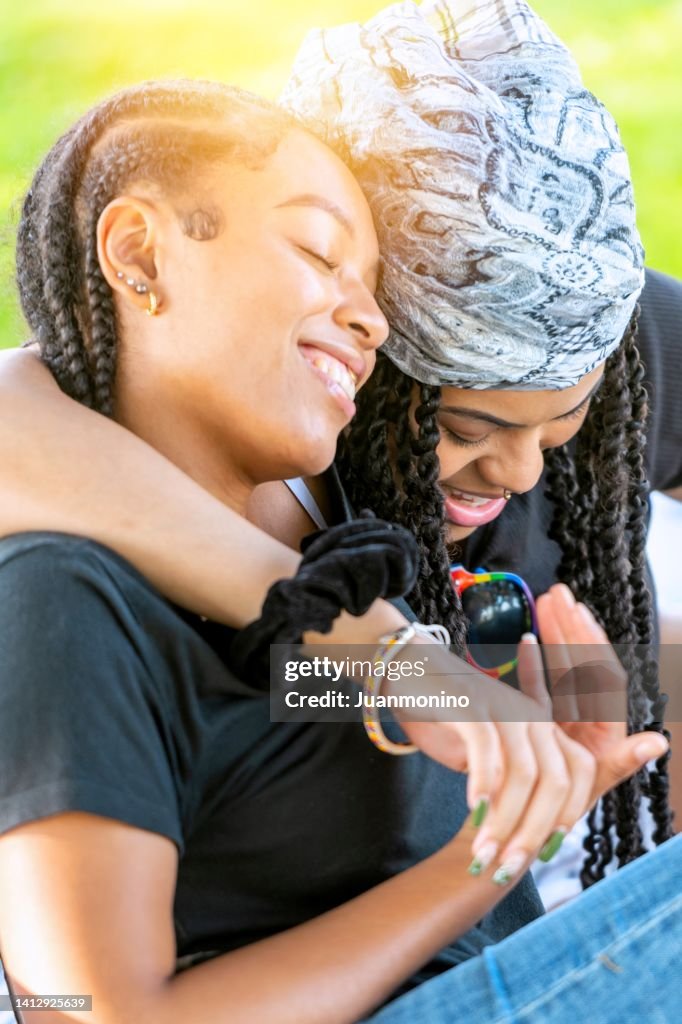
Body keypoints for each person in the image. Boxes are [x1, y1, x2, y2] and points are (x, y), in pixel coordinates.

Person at [0, 0, 678, 888]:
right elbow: (253, 695)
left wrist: (605, 697)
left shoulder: (591, 333)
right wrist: (401, 666)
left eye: (564, 430)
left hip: (553, 814)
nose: (518, 472)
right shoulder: (255, 469)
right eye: (463, 428)